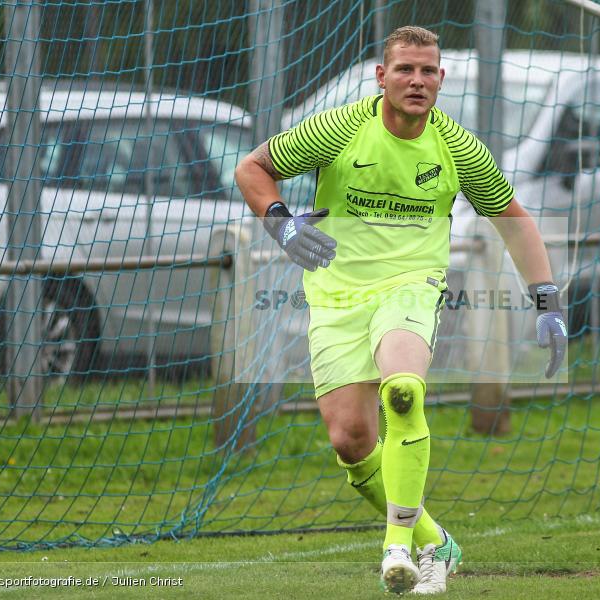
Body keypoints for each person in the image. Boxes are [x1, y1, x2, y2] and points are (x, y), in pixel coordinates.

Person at [235, 26, 566, 595]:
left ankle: (397, 547)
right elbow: (251, 169)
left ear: (441, 78)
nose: (418, 80)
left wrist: (547, 301)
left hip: (413, 286)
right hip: (337, 294)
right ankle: (434, 540)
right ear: (381, 77)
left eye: (429, 70)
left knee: (404, 390)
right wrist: (281, 222)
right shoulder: (339, 128)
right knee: (350, 440)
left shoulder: (458, 147)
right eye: (406, 69)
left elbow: (513, 218)